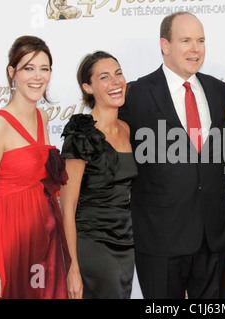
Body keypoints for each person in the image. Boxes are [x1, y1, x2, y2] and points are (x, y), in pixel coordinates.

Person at [119, 12, 225, 299]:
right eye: (186, 41)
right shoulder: (136, 94)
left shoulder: (219, 91)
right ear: (165, 45)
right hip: (159, 239)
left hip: (212, 237)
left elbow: (224, 158)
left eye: (201, 41)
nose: (195, 49)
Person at [0, 35, 69, 299]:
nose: (38, 77)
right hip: (6, 238)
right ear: (12, 72)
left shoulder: (42, 116)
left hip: (41, 235)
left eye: (44, 69)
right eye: (28, 68)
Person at [60, 51, 137, 299]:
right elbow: (67, 206)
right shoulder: (82, 133)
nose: (116, 82)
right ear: (88, 87)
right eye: (104, 77)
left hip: (126, 244)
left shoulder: (126, 128)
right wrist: (72, 266)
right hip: (92, 244)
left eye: (118, 73)